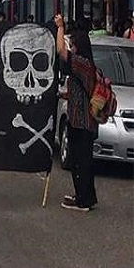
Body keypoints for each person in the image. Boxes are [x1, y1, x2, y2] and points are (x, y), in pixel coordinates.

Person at [54, 14, 98, 212]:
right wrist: (64, 95)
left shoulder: (81, 63)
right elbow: (79, 92)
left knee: (81, 161)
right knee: (82, 160)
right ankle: (85, 196)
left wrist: (60, 27)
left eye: (73, 44)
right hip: (81, 120)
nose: (71, 47)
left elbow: (60, 51)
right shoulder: (87, 66)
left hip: (82, 122)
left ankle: (83, 200)